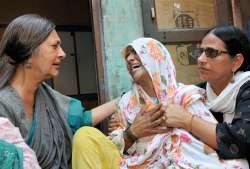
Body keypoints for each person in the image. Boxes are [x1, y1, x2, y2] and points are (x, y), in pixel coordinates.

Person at [0, 14, 165, 169]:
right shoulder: (3, 106)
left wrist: (124, 99)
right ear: (29, 53)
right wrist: (131, 133)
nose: (63, 54)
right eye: (54, 46)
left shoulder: (45, 95)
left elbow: (82, 119)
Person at [78, 37, 248, 168]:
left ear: (155, 58)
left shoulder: (184, 96)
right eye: (127, 56)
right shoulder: (126, 104)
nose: (129, 59)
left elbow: (211, 139)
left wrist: (180, 127)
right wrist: (132, 133)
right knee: (85, 136)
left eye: (136, 53)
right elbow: (115, 147)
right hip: (135, 164)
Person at [164, 25, 250, 163]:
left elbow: (242, 141)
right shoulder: (198, 93)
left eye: (212, 52)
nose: (200, 59)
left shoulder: (247, 89)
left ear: (236, 62)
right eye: (201, 51)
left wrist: (188, 121)